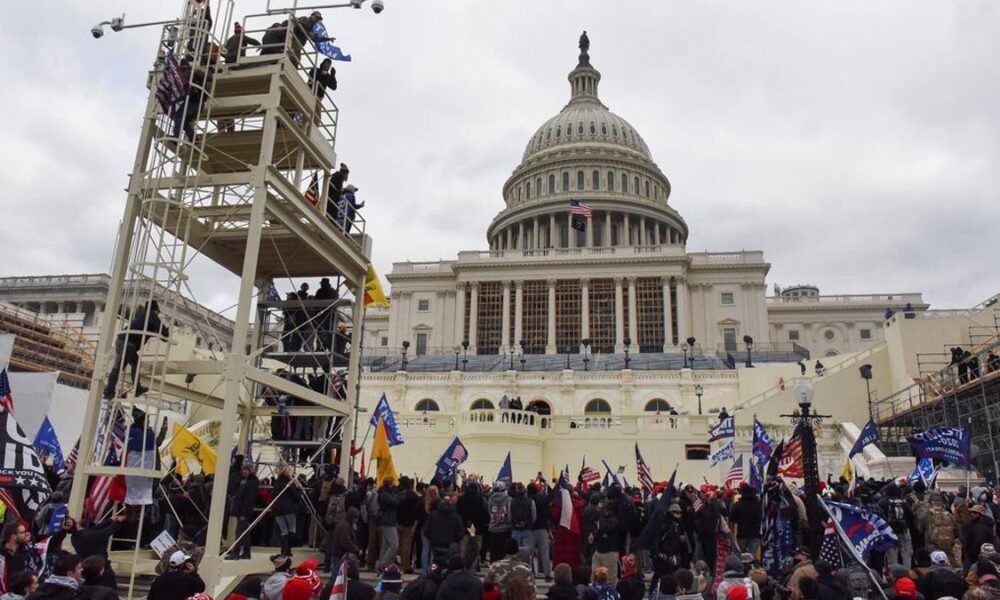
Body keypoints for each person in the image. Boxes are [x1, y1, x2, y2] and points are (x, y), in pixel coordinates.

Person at [103, 300, 169, 399]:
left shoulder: (142, 315)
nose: (157, 315)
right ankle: (135, 389)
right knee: (133, 364)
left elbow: (161, 335)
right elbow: (165, 334)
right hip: (129, 344)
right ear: (155, 310)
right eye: (157, 312)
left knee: (119, 367)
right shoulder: (151, 315)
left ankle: (110, 391)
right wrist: (165, 328)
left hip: (122, 341)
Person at [227, 460, 260, 560]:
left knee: (239, 532)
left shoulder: (252, 482)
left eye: (246, 469)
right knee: (244, 533)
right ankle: (246, 553)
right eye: (243, 469)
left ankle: (235, 553)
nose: (244, 471)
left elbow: (249, 499)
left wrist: (244, 513)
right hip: (240, 509)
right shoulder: (243, 480)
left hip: (244, 511)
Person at [422, 493, 465, 563]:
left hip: (436, 544)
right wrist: (455, 541)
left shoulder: (433, 515)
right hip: (450, 544)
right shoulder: (456, 516)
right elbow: (461, 532)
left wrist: (432, 538)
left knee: (434, 561)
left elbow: (426, 530)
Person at [589, 500, 621, 586]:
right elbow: (596, 528)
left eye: (600, 508)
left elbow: (604, 528)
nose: (597, 510)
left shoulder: (613, 521)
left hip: (609, 552)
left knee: (610, 579)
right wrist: (593, 534)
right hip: (598, 551)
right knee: (594, 577)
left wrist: (600, 520)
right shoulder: (598, 518)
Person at [272, 466, 301, 556]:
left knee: (283, 530)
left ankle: (284, 549)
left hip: (277, 509)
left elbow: (273, 494)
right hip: (289, 508)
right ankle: (288, 549)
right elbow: (296, 496)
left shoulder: (277, 482)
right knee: (292, 529)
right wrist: (299, 490)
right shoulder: (290, 483)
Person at [376, 478, 404, 570]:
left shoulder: (385, 493)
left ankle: (381, 565)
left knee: (385, 546)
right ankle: (382, 565)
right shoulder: (384, 494)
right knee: (394, 545)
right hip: (388, 521)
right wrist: (399, 494)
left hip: (387, 520)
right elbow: (394, 502)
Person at [488, 482, 513, 562]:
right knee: (504, 552)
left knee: (494, 551)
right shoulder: (509, 499)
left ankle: (493, 569)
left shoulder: (491, 498)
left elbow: (489, 511)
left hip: (493, 528)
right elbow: (509, 513)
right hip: (505, 529)